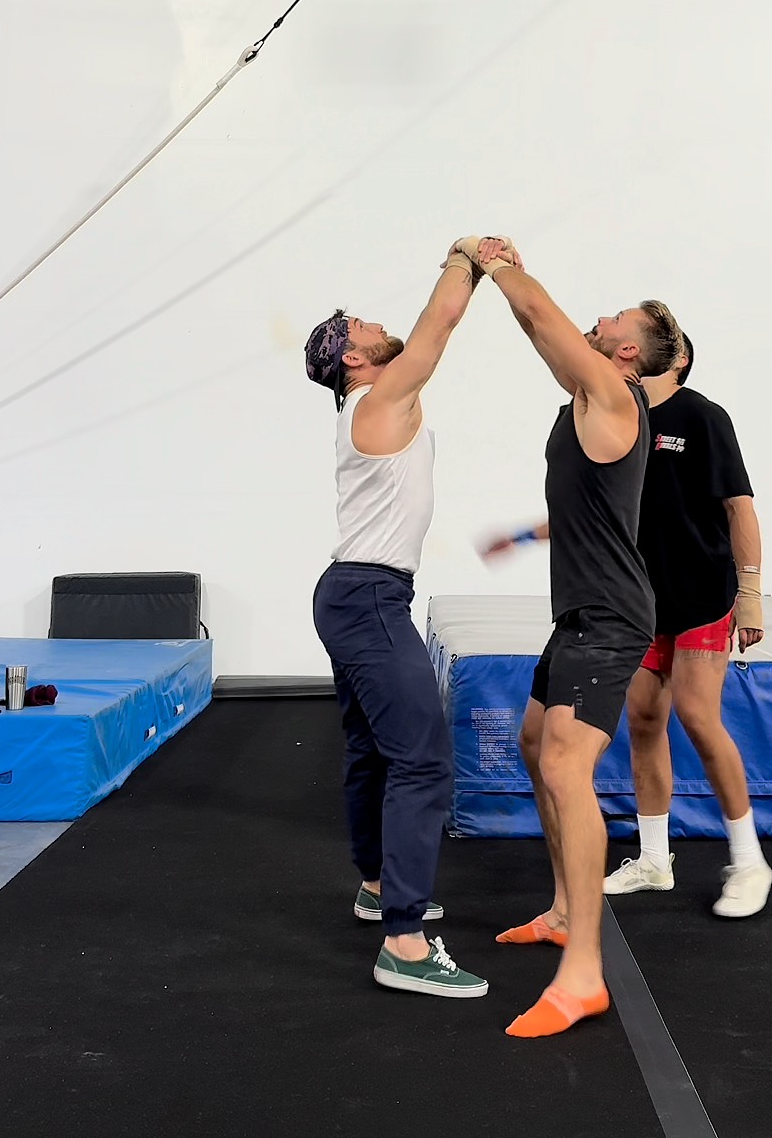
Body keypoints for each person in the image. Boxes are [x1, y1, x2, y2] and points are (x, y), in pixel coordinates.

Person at [472, 240, 681, 1040]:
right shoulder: (586, 401)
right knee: (535, 742)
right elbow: (541, 335)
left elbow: (538, 314)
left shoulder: (615, 392)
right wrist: (530, 534)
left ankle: (585, 972)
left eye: (612, 319)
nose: (596, 321)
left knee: (566, 763)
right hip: (580, 612)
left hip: (613, 617)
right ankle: (563, 909)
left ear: (625, 350)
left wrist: (496, 262)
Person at [305, 238, 512, 1001]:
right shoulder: (381, 399)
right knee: (421, 759)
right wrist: (467, 254)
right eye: (362, 326)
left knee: (371, 749)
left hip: (355, 593)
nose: (376, 325)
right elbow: (440, 324)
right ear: (353, 360)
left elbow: (431, 337)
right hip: (366, 595)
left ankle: (374, 887)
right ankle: (404, 942)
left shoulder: (382, 400)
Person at [601, 333, 772, 917]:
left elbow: (739, 507)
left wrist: (749, 594)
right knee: (644, 718)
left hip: (702, 595)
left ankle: (749, 862)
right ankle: (653, 859)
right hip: (645, 599)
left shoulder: (702, 416)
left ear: (677, 359)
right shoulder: (617, 416)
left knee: (699, 717)